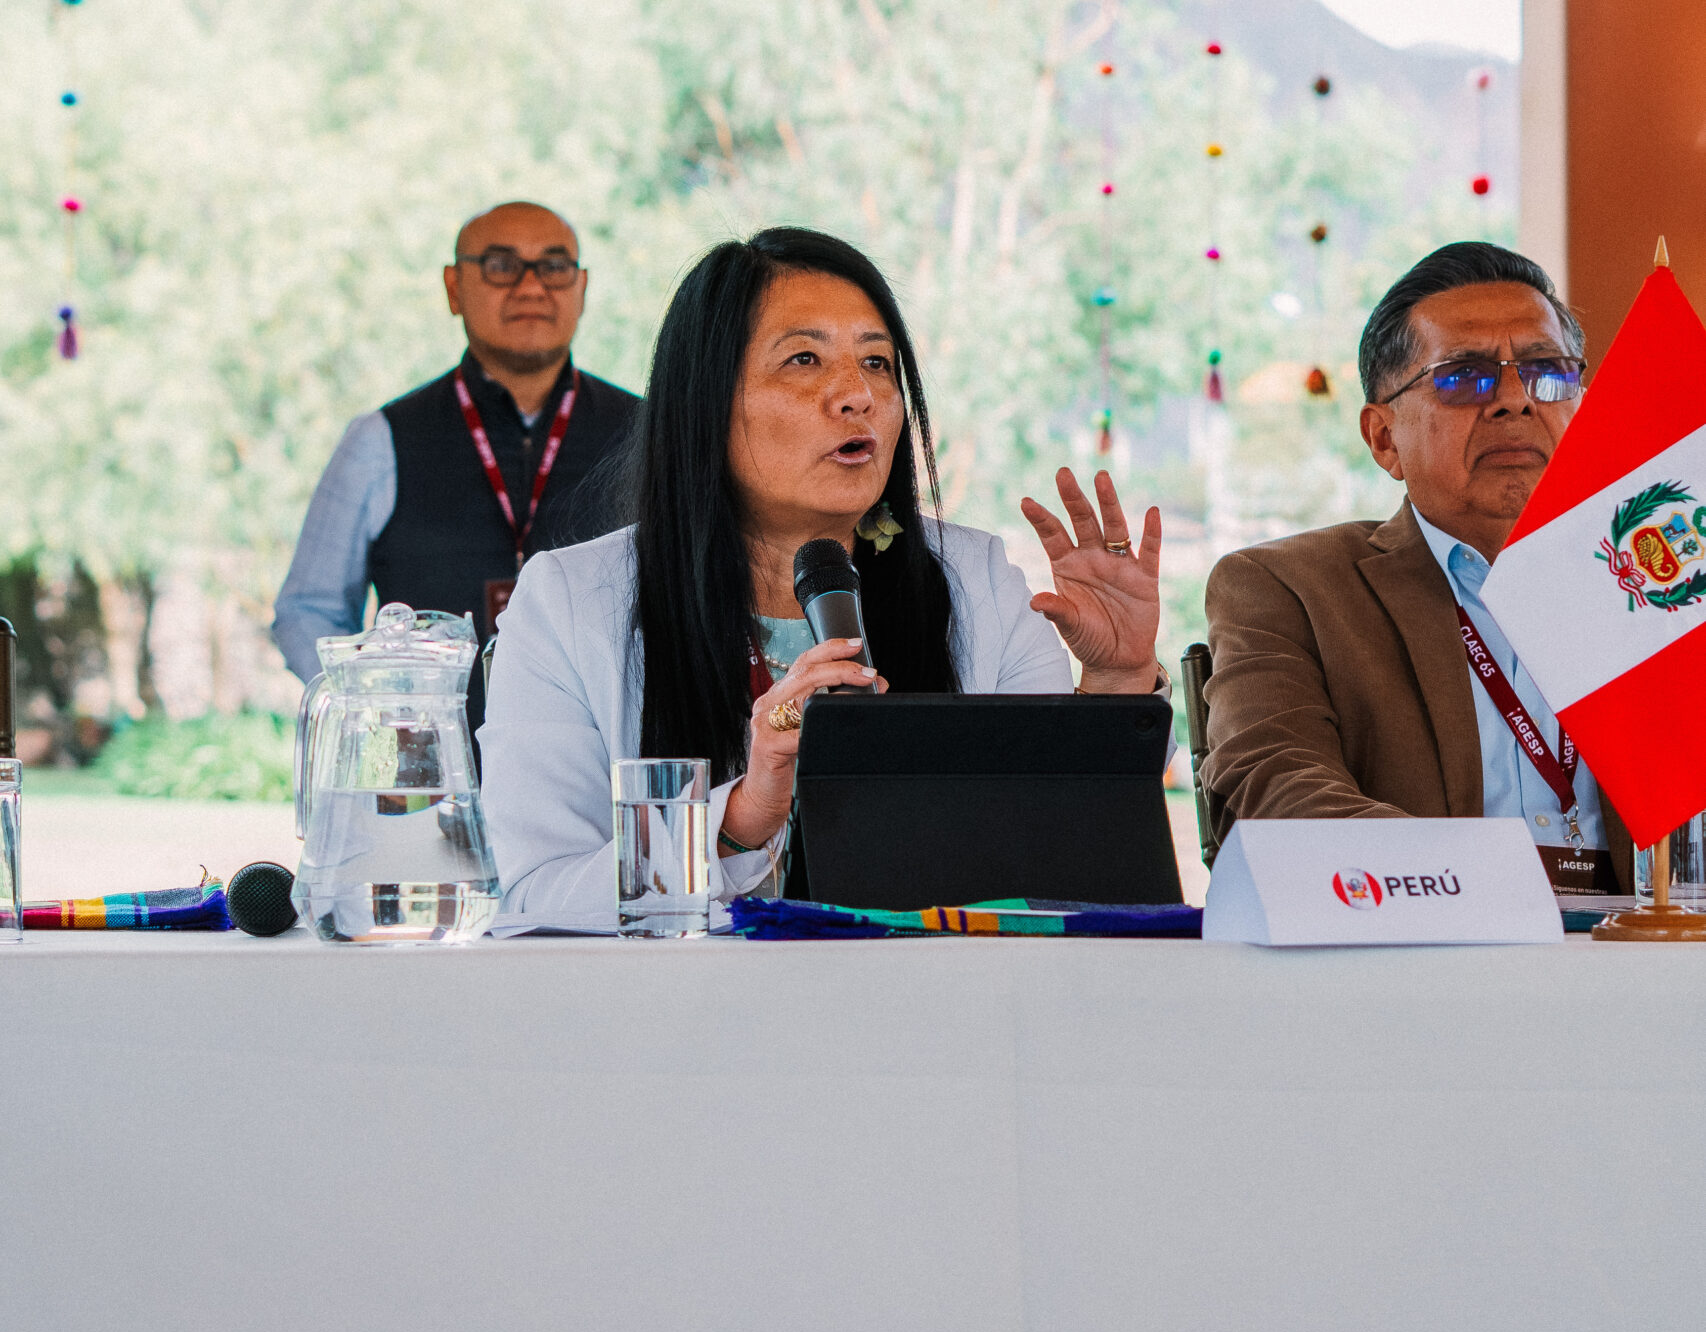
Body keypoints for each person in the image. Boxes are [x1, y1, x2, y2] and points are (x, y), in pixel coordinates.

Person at [480, 225, 1168, 932]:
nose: (857, 394)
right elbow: (537, 897)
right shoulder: (570, 601)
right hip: (678, 1001)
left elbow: (1062, 859)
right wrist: (739, 818)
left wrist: (1118, 680)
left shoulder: (975, 579)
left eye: (877, 363)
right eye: (804, 359)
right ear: (704, 401)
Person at [1203, 239, 1634, 894]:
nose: (1516, 400)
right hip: (1428, 943)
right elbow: (1281, 792)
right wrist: (1486, 887)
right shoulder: (1288, 589)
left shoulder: (1660, 585)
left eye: (1547, 371)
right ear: (1384, 438)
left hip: (1653, 946)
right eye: (1464, 376)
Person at [273, 201, 640, 716]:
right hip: (434, 760)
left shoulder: (650, 435)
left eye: (554, 266)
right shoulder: (380, 440)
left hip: (606, 758)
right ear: (453, 287)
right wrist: (372, 713)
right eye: (501, 265)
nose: (531, 287)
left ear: (582, 288)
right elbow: (308, 610)